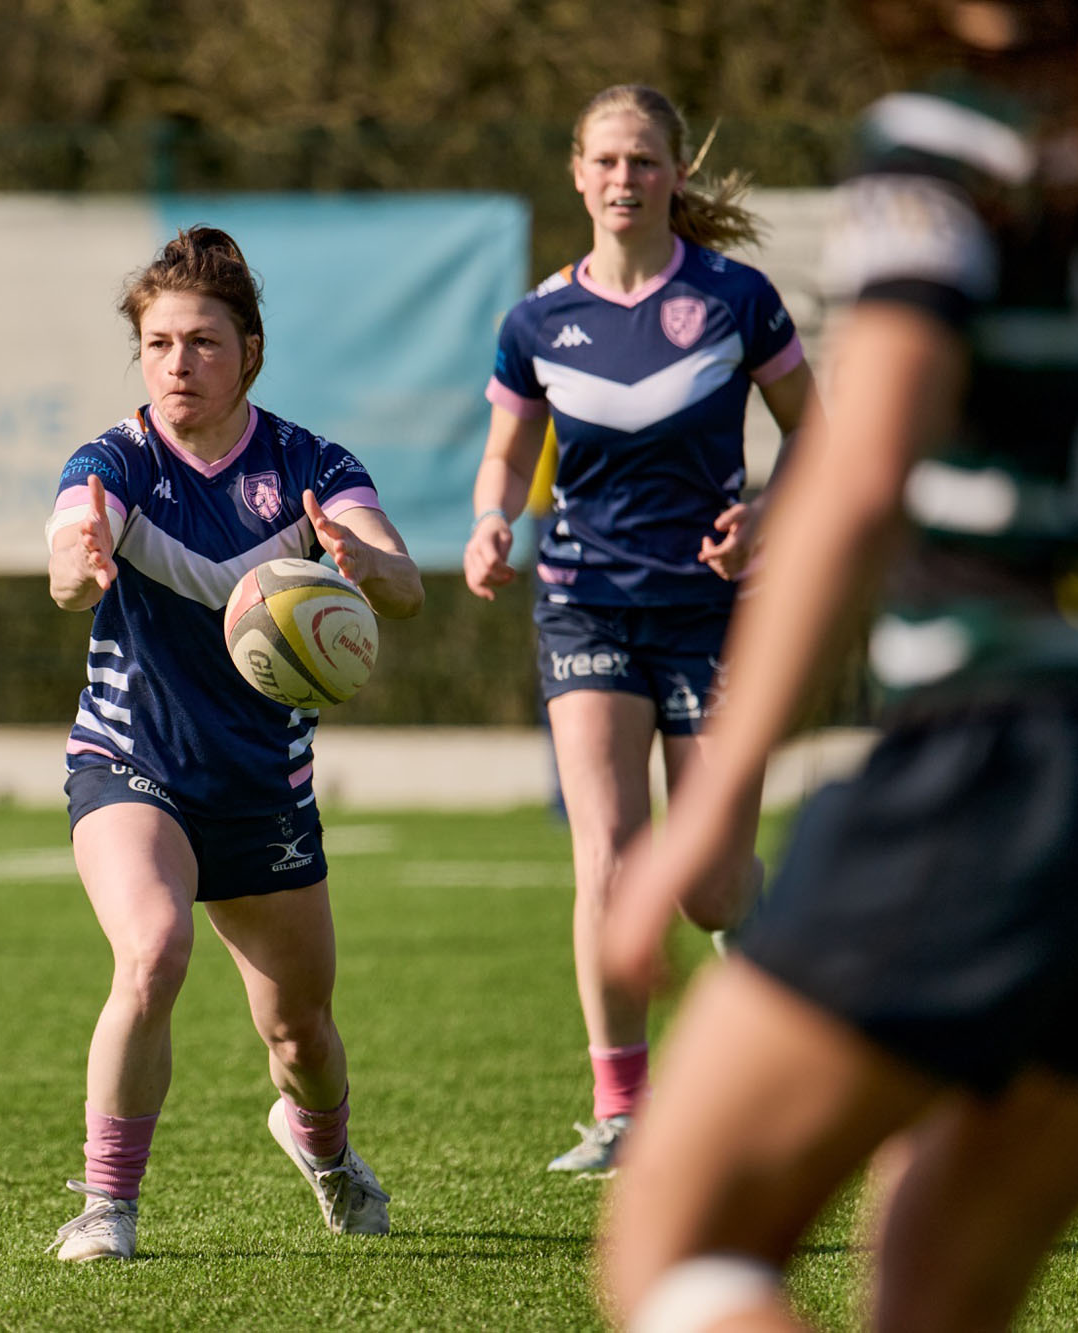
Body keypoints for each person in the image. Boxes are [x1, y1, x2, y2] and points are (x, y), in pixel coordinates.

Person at [600, 3, 1078, 1328]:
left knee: (673, 1249)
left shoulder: (951, 144)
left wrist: (706, 812)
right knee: (941, 1291)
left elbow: (862, 475)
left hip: (1013, 752)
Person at [43, 226, 423, 1262]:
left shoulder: (310, 465)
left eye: (203, 342)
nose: (178, 363)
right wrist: (80, 559)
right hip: (130, 762)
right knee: (151, 950)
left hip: (260, 785)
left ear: (248, 351)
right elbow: (66, 567)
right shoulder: (112, 463)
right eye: (158, 343)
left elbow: (404, 584)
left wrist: (362, 563)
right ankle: (107, 1204)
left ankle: (324, 1149)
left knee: (299, 1035)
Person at [462, 85, 817, 1175]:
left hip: (714, 612)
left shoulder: (736, 299)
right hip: (585, 601)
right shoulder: (534, 321)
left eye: (645, 160)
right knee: (609, 858)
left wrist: (766, 515)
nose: (625, 178)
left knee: (710, 880)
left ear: (676, 173)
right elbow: (506, 457)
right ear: (577, 173)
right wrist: (489, 522)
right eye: (607, 160)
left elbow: (819, 437)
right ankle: (623, 1111)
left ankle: (775, 991)